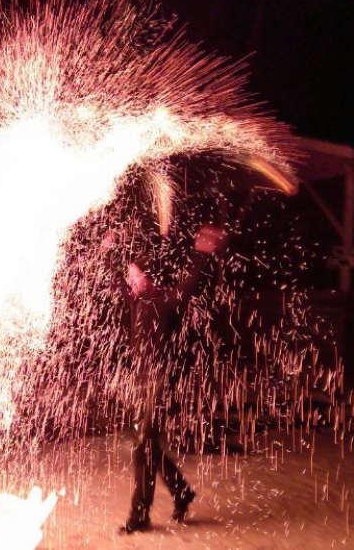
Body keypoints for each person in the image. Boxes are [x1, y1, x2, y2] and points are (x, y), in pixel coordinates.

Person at [108, 223, 229, 532]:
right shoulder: (135, 299)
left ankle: (139, 516)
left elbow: (188, 284)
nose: (131, 281)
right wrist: (108, 252)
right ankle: (181, 492)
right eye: (130, 276)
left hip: (159, 385)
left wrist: (200, 254)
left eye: (136, 276)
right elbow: (114, 281)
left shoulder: (165, 300)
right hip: (141, 382)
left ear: (149, 279)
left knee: (142, 449)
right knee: (149, 448)